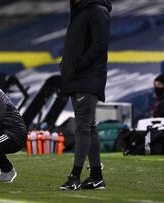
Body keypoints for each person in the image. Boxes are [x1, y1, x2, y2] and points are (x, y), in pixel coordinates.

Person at [59, 0, 111, 190]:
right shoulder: (80, 11)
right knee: (89, 127)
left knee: (82, 128)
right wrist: (66, 65)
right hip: (78, 78)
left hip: (87, 77)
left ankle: (75, 177)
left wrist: (77, 65)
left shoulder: (97, 10)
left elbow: (100, 45)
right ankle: (96, 177)